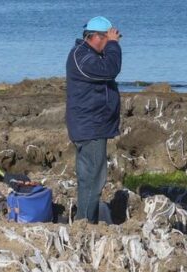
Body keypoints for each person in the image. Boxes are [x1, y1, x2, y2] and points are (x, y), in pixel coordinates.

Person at [65, 16, 122, 223]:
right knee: (93, 178)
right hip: (90, 128)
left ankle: (85, 218)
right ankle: (85, 222)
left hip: (90, 125)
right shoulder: (83, 58)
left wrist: (111, 44)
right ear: (97, 37)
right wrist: (114, 44)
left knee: (88, 175)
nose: (111, 42)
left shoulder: (87, 55)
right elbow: (111, 69)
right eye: (108, 38)